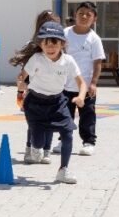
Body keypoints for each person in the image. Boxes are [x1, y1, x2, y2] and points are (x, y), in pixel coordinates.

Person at [16, 21, 87, 184]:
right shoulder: (37, 58)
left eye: (54, 42)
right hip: (35, 103)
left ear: (62, 43)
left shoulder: (68, 61)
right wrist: (21, 86)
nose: (50, 47)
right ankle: (35, 147)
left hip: (57, 102)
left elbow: (81, 83)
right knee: (38, 143)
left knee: (68, 132)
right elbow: (22, 76)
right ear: (40, 44)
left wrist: (81, 97)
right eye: (46, 43)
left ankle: (63, 170)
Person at [54, 1, 105, 157]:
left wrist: (94, 83)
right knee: (64, 115)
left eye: (88, 14)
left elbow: (97, 62)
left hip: (86, 86)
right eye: (81, 13)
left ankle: (88, 142)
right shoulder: (65, 34)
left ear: (94, 19)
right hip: (65, 84)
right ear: (75, 15)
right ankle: (63, 140)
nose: (84, 16)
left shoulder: (94, 39)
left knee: (87, 115)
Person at [11, 10, 61, 164]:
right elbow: (24, 70)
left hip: (53, 90)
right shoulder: (32, 45)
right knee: (33, 123)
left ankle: (46, 151)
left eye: (51, 21)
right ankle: (30, 149)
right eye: (45, 21)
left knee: (50, 123)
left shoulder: (59, 44)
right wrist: (21, 90)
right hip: (34, 90)